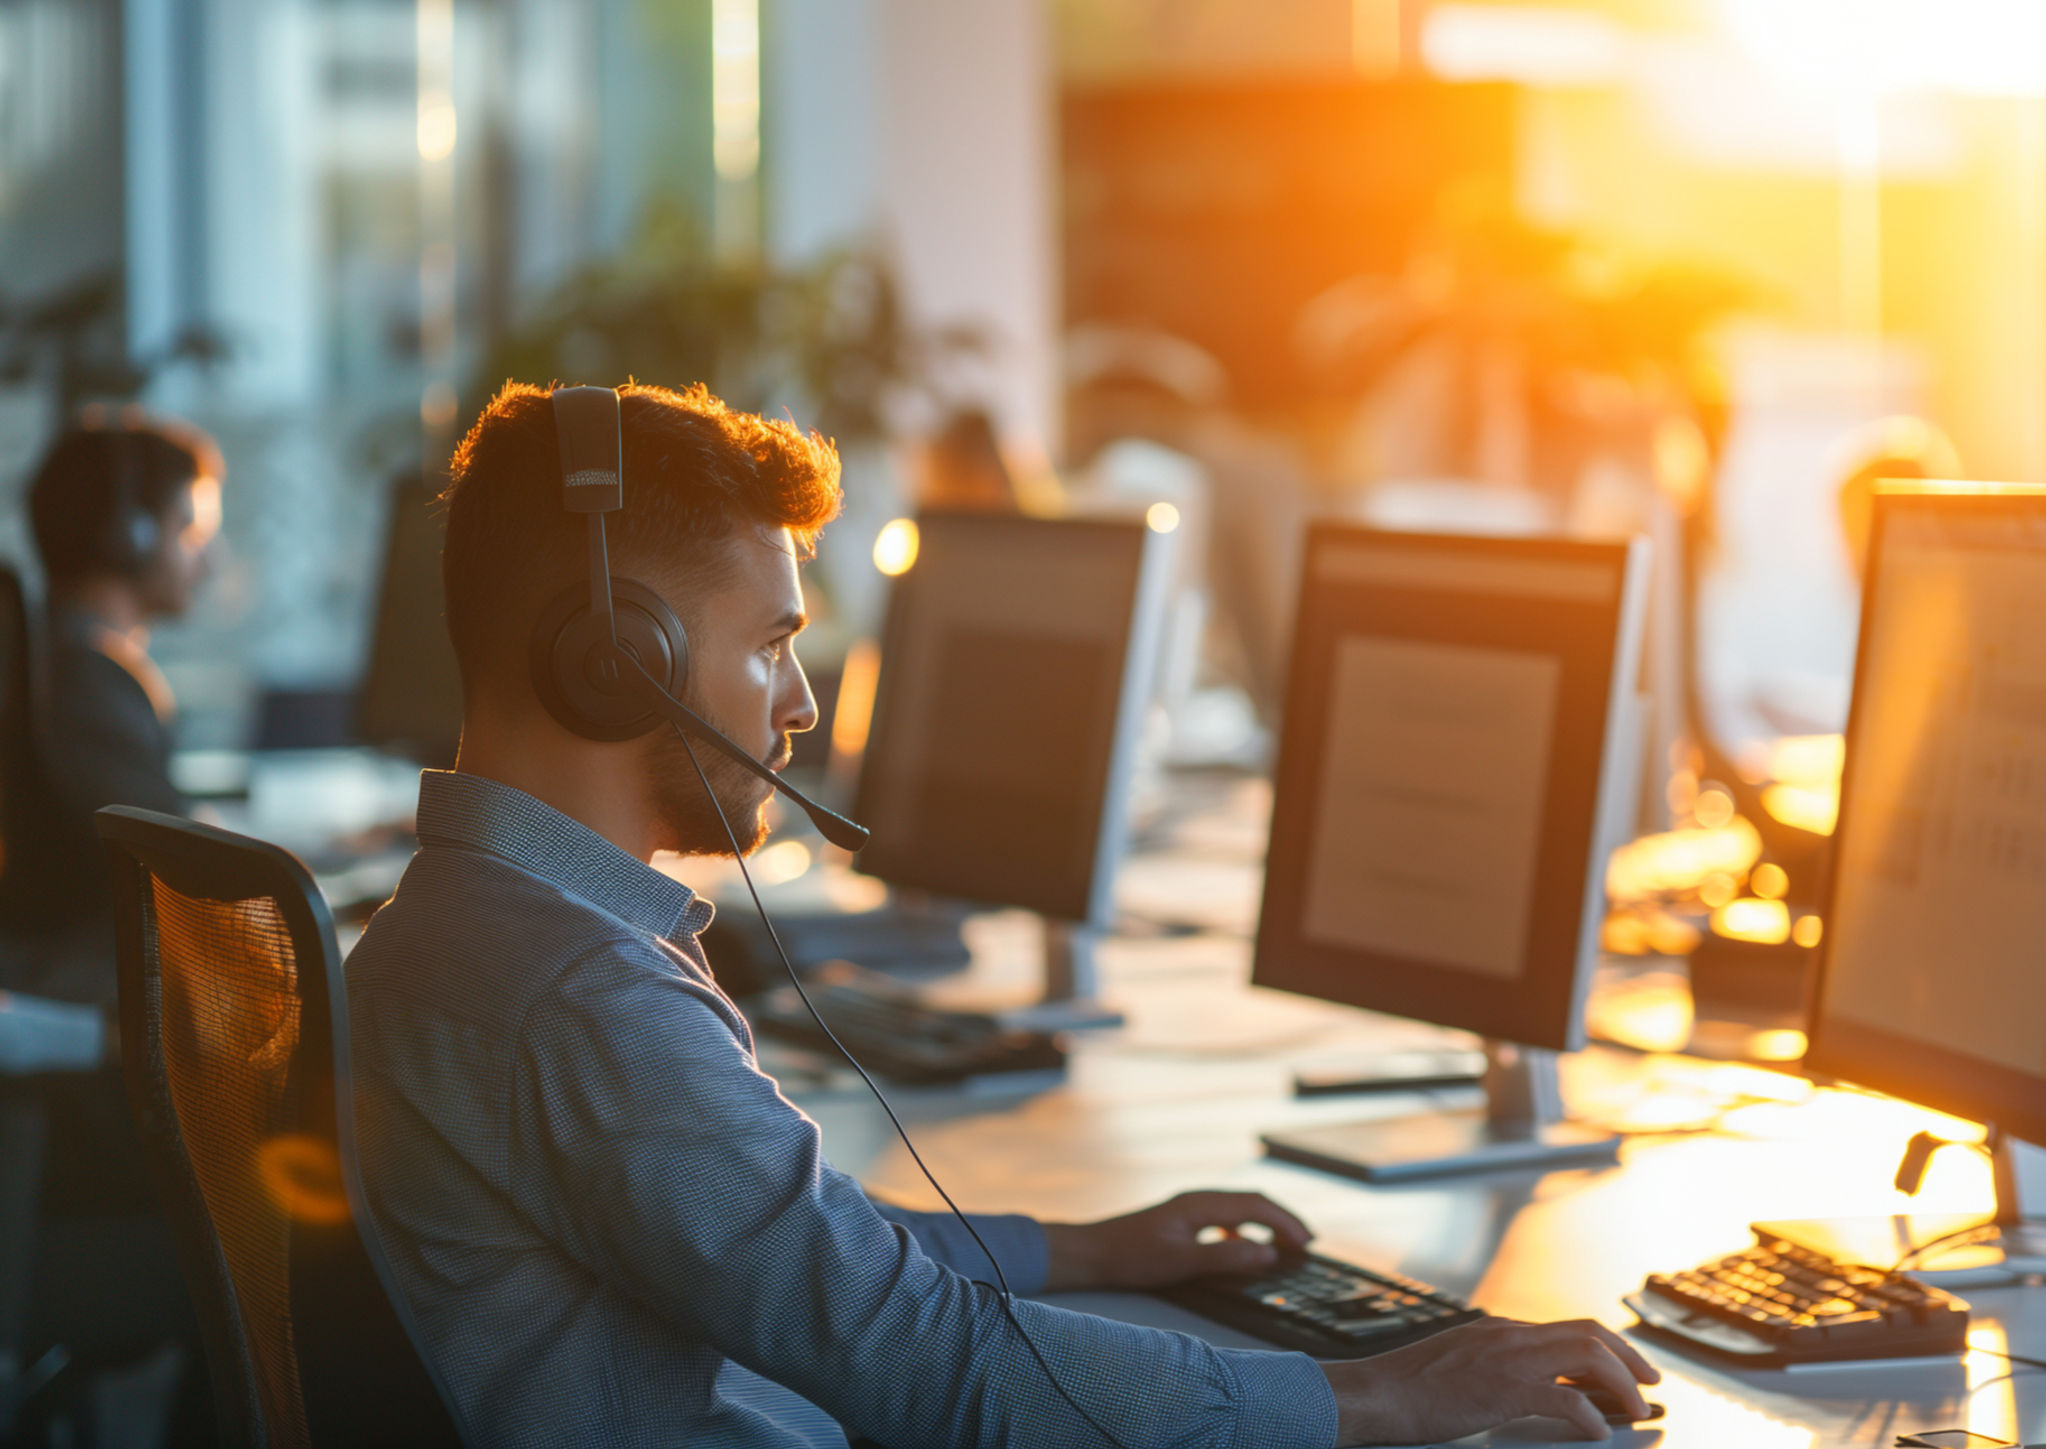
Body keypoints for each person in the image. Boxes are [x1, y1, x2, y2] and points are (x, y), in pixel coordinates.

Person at [346, 380, 1658, 1448]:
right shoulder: (577, 995)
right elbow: (918, 1363)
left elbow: (795, 1250)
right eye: (768, 644)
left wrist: (1086, 1248)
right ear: (622, 659)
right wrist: (1383, 1396)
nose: (799, 704)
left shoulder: (470, 924)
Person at [5, 410, 223, 1005]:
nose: (208, 563)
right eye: (189, 530)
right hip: (88, 981)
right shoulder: (84, 676)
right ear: (130, 534)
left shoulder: (65, 656)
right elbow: (188, 862)